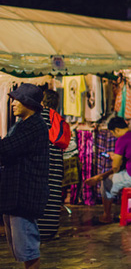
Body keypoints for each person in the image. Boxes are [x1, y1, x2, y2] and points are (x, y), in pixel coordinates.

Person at [0, 84, 49, 269]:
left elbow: (6, 148)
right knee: (21, 248)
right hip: (16, 194)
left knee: (28, 249)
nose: (12, 104)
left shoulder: (34, 125)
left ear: (28, 103)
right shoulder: (22, 124)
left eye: (17, 100)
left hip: (25, 193)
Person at [85, 117, 131, 224]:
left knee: (107, 182)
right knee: (113, 178)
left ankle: (106, 216)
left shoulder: (122, 139)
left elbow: (116, 167)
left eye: (113, 133)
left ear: (117, 130)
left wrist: (101, 175)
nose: (114, 135)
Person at [38, 89, 67, 241]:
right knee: (54, 194)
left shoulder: (38, 117)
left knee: (40, 194)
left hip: (42, 162)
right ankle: (50, 229)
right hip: (56, 161)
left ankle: (39, 230)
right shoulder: (57, 117)